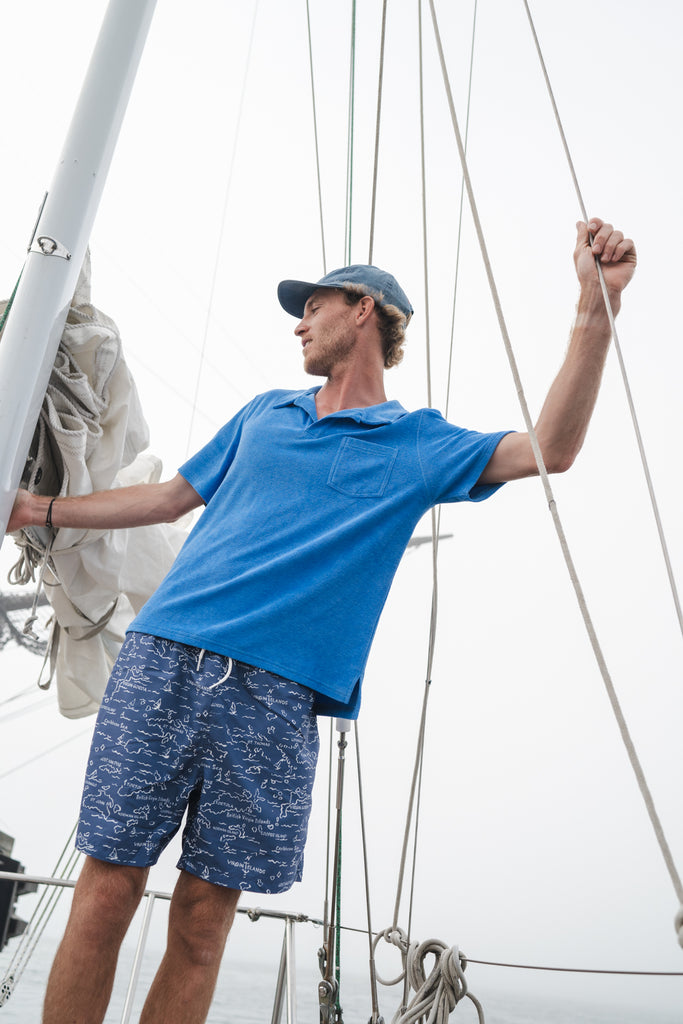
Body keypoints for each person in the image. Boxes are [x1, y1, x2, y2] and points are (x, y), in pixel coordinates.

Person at [6, 218, 636, 1024]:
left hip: (275, 704)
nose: (298, 321)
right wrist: (38, 506)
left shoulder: (417, 444)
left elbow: (551, 447)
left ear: (364, 309)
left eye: (313, 304)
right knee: (105, 891)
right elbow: (168, 499)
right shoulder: (266, 412)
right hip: (163, 661)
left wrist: (594, 307)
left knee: (202, 924)